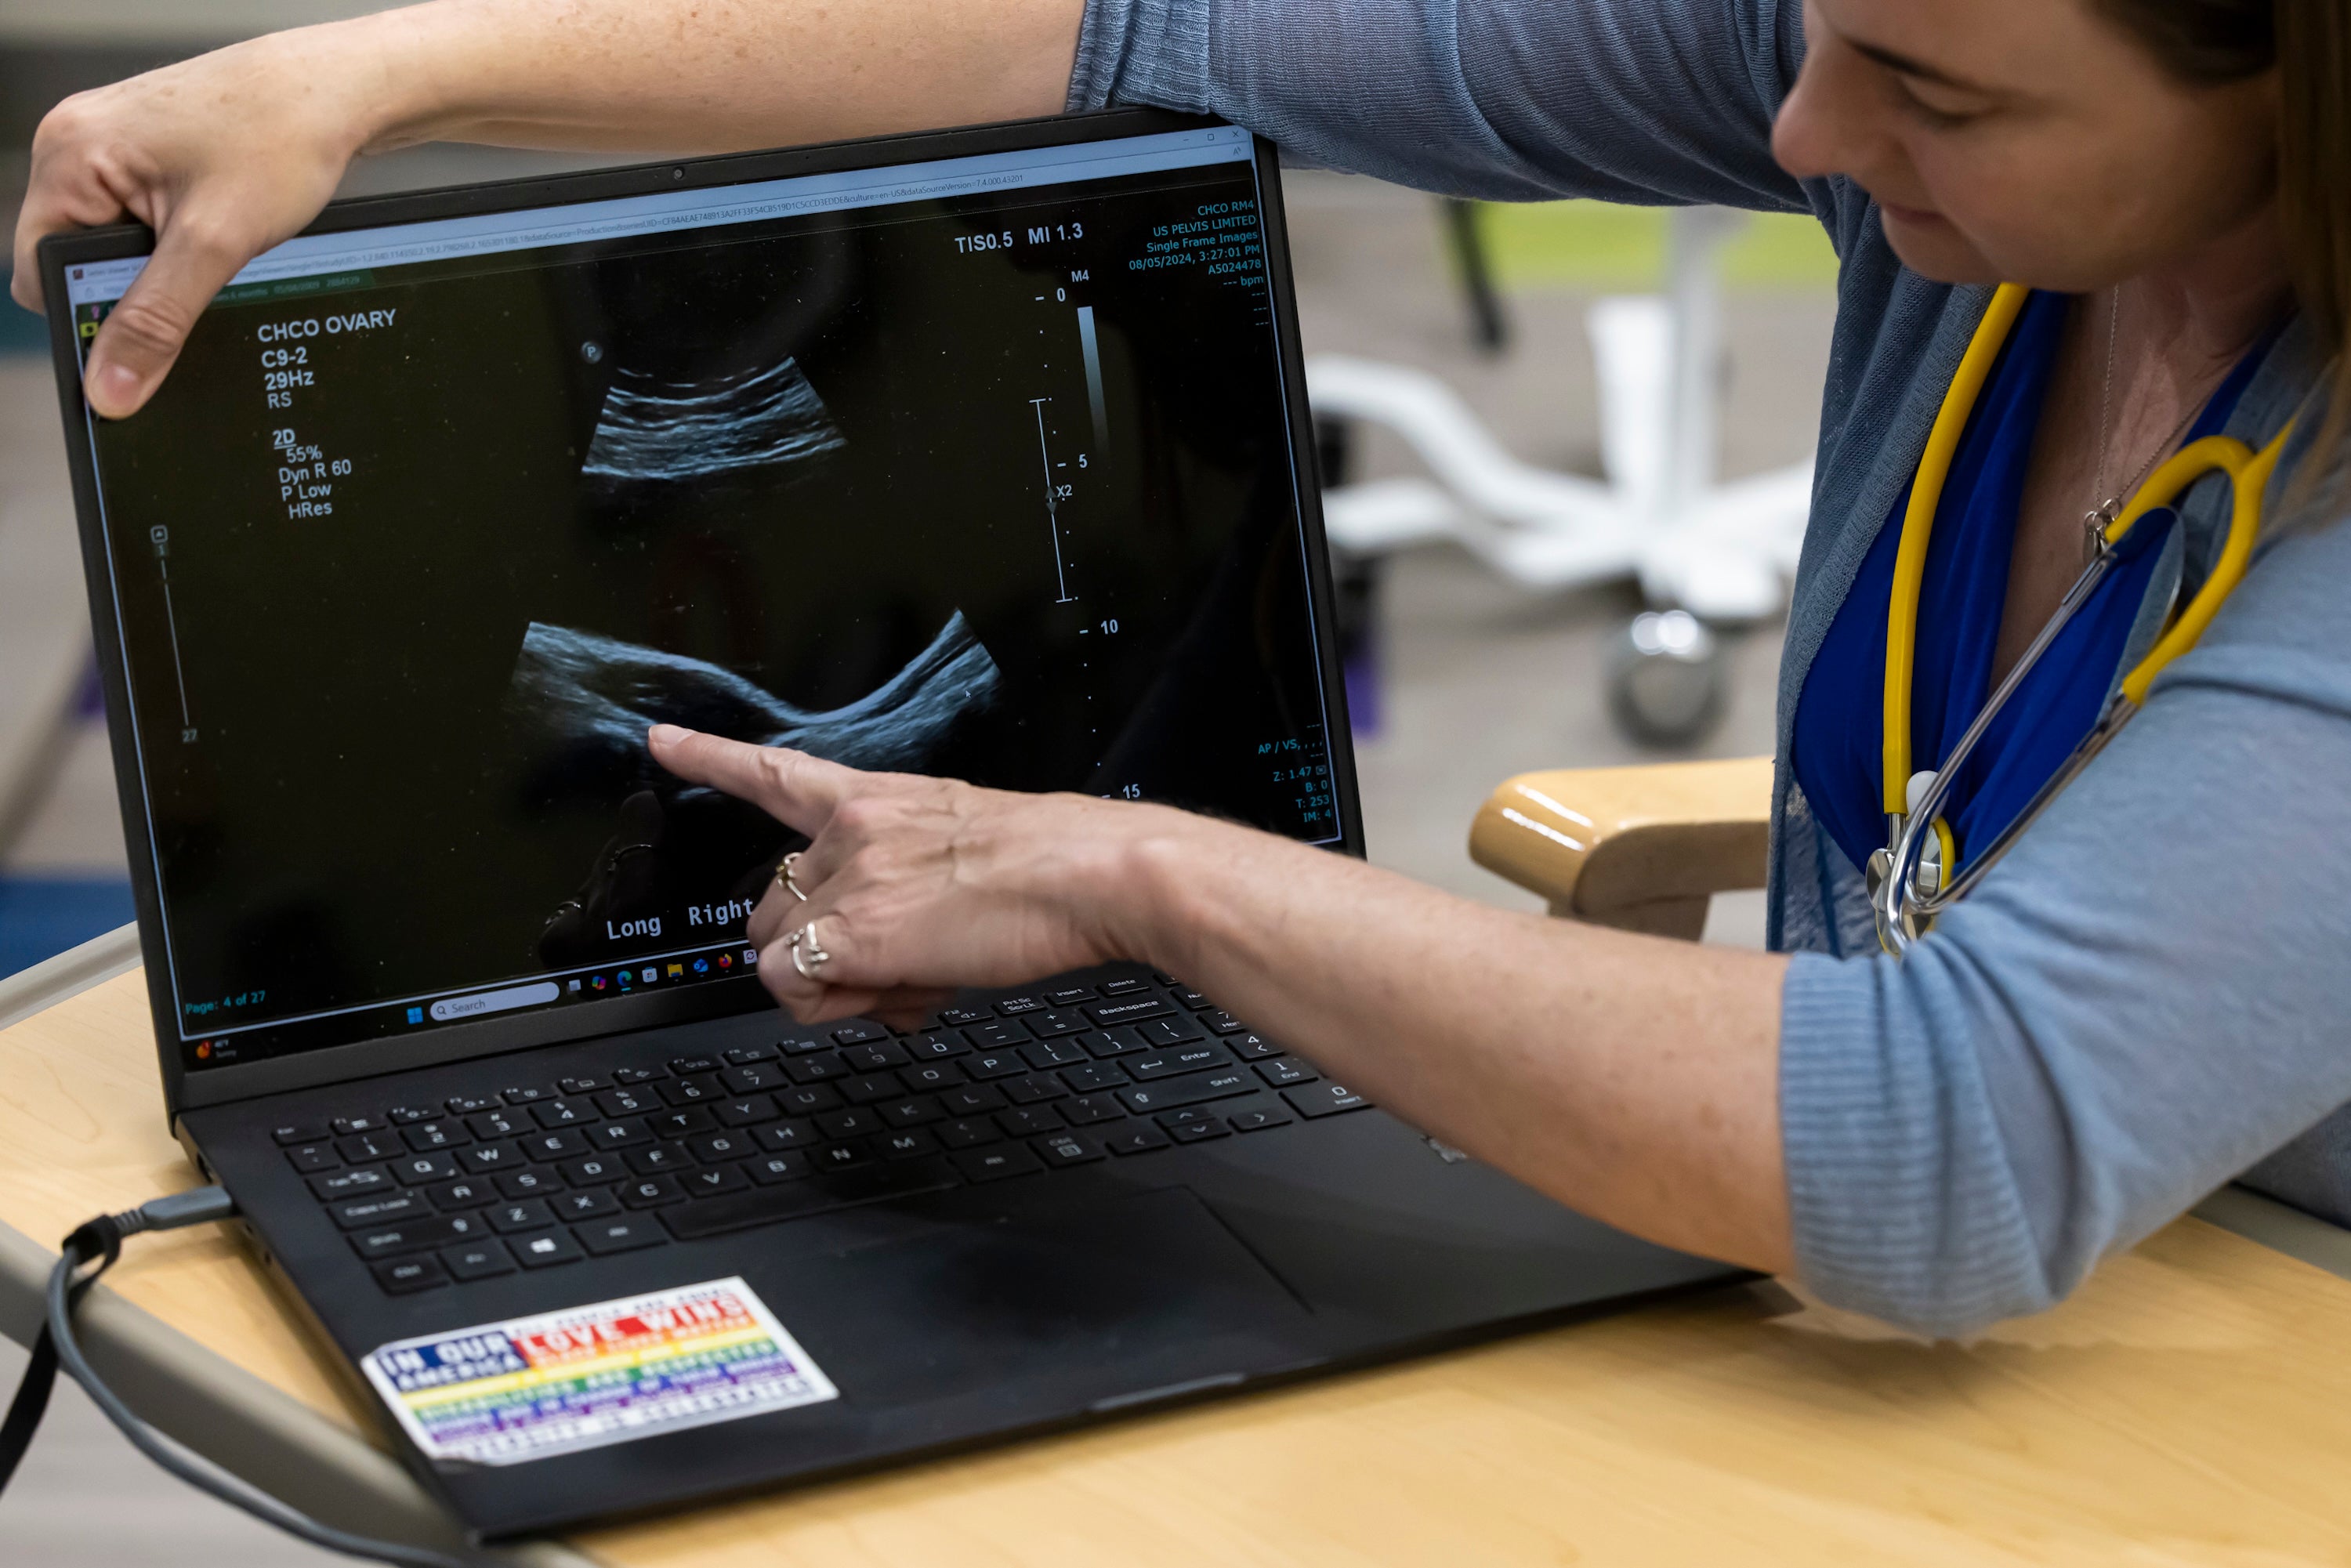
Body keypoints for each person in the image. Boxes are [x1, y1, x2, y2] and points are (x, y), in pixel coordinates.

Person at [15, 0, 2350, 1339]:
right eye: (1828, 19)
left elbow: (1949, 1134)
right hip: (1880, 1323)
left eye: (1931, 96)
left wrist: (1146, 875)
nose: (1802, 132)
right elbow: (1149, 20)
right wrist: (406, 70)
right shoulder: (1909, 75)